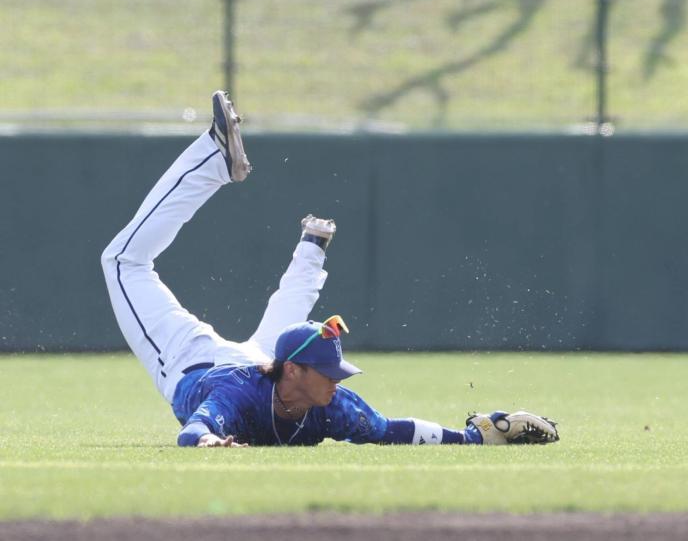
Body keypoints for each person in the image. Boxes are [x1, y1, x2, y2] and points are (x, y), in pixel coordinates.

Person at [100, 91, 559, 448]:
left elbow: (390, 430)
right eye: (329, 371)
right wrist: (206, 441)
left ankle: (310, 246)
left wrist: (476, 437)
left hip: (260, 361)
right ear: (296, 373)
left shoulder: (326, 402)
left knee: (289, 321)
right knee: (122, 261)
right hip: (195, 364)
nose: (337, 379)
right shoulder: (239, 394)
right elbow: (194, 428)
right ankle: (215, 164)